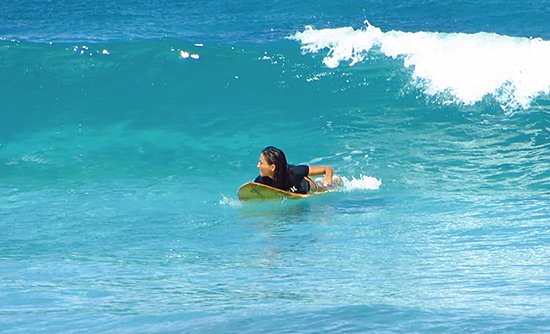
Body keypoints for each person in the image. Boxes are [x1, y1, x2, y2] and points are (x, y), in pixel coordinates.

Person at [254, 146, 336, 194]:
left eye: (261, 163)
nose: (258, 165)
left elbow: (327, 168)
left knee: (330, 185)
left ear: (272, 167)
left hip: (312, 188)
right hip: (294, 193)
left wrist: (327, 178)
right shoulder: (261, 181)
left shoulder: (294, 172)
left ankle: (336, 179)